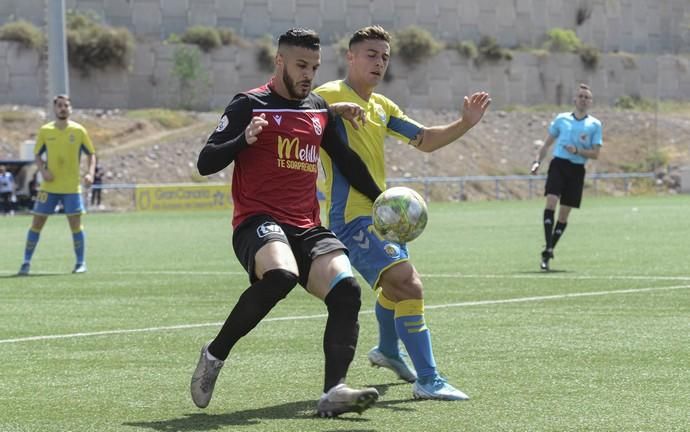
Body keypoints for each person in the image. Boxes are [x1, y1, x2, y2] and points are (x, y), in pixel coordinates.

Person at [190, 28, 383, 418]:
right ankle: (214, 355)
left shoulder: (317, 109)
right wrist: (243, 140)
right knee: (281, 275)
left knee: (347, 291)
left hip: (307, 226)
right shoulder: (249, 104)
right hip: (257, 221)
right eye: (301, 65)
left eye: (314, 66)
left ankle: (334, 391)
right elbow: (206, 161)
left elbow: (345, 161)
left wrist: (382, 200)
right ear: (279, 62)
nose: (308, 74)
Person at [314, 26, 491, 401]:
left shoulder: (382, 106)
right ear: (350, 56)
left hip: (384, 218)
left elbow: (424, 139)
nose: (379, 62)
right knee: (408, 284)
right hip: (352, 219)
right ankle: (428, 379)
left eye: (384, 57)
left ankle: (388, 351)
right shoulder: (326, 96)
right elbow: (296, 118)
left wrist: (465, 123)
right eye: (371, 54)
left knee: (396, 291)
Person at [17, 95, 96, 275]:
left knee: (76, 225)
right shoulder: (46, 130)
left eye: (66, 105)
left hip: (71, 188)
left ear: (70, 108)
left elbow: (91, 153)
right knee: (37, 222)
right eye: (60, 106)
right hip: (48, 187)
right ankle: (26, 262)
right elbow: (37, 154)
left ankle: (80, 263)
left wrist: (90, 173)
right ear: (54, 109)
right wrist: (43, 170)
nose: (63, 108)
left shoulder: (79, 131)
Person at [530, 83, 602, 271]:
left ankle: (549, 249)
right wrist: (537, 162)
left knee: (564, 213)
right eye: (581, 96)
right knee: (551, 202)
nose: (583, 100)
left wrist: (578, 150)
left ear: (591, 102)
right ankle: (548, 246)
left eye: (587, 97)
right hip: (558, 165)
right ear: (574, 99)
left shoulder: (594, 124)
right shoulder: (562, 120)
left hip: (577, 170)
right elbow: (546, 144)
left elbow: (596, 154)